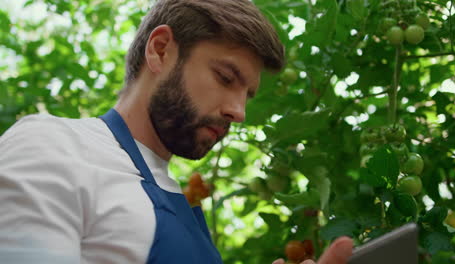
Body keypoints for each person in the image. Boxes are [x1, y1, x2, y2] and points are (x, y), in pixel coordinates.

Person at [0, 0, 353, 263]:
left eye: (247, 95)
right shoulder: (55, 146)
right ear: (161, 50)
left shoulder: (184, 209)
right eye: (225, 78)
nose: (239, 111)